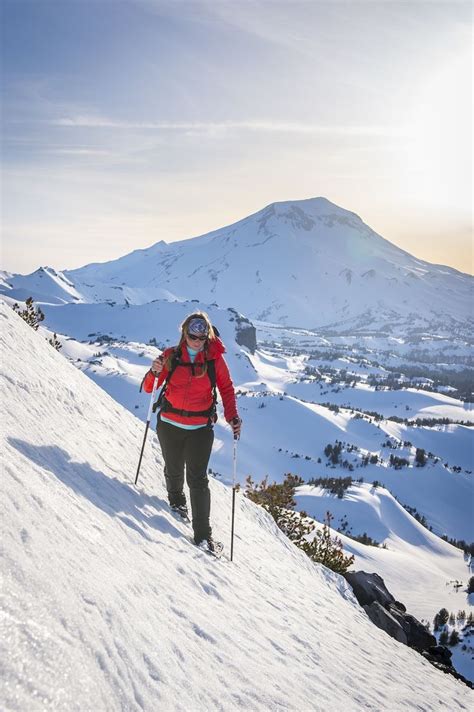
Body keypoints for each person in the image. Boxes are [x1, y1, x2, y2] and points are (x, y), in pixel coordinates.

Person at [141, 312, 241, 553]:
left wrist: (232, 417)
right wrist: (154, 372)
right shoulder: (170, 356)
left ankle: (203, 536)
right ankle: (176, 503)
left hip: (200, 429)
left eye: (201, 337)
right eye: (192, 336)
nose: (196, 341)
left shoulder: (215, 361)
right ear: (184, 334)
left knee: (197, 479)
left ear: (207, 337)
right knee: (173, 469)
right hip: (169, 423)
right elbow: (148, 388)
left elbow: (226, 389)